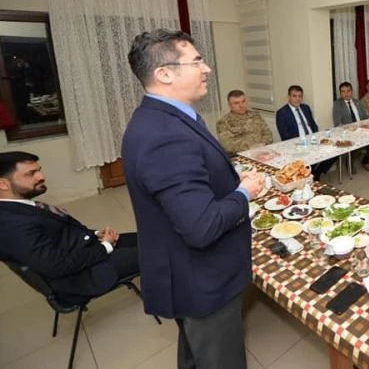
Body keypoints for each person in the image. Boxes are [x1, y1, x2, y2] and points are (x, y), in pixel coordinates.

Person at [122, 29, 264, 369]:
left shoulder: (164, 117)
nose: (207, 69)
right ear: (165, 73)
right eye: (197, 60)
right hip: (200, 278)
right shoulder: (164, 136)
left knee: (195, 354)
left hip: (185, 271)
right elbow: (202, 226)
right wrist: (245, 192)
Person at [0, 151, 138, 304]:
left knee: (153, 239)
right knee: (157, 250)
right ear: (3, 184)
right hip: (83, 276)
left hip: (85, 251)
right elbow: (56, 266)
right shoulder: (10, 224)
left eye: (39, 170)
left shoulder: (20, 207)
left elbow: (61, 232)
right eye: (31, 173)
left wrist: (96, 234)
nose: (41, 176)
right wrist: (105, 247)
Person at [275, 85, 335, 180]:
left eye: (300, 96)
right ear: (289, 97)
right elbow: (284, 135)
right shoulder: (282, 113)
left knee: (333, 151)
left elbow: (313, 125)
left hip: (312, 140)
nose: (297, 99)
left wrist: (315, 137)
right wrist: (302, 143)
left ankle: (316, 173)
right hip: (297, 144)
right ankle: (311, 173)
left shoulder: (306, 108)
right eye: (294, 96)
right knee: (307, 158)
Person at [332, 81, 369, 172]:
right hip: (348, 131)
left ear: (352, 91)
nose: (346, 94)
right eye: (343, 91)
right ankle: (349, 162)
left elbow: (365, 117)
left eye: (348, 91)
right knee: (355, 140)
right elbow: (338, 123)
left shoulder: (357, 102)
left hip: (362, 128)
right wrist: (350, 129)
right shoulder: (337, 104)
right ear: (340, 93)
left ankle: (365, 160)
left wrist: (367, 124)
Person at [216, 89, 273, 155]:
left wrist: (263, 143)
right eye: (236, 103)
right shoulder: (223, 122)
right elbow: (227, 145)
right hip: (240, 156)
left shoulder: (256, 115)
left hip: (262, 151)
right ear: (229, 105)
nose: (241, 105)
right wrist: (251, 147)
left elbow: (268, 133)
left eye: (243, 101)